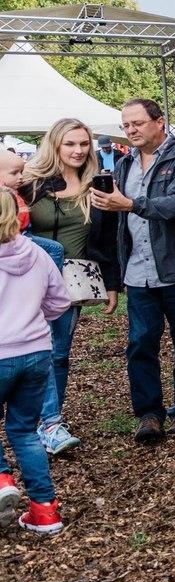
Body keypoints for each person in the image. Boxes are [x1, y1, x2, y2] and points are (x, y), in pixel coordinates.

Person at [90, 97, 175, 444]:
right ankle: (149, 415)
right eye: (126, 125)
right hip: (139, 274)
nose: (131, 130)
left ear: (160, 121)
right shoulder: (123, 165)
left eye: (137, 123)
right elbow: (117, 221)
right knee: (140, 345)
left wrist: (131, 203)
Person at [21, 117, 122, 456]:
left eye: (83, 144)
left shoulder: (98, 184)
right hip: (28, 281)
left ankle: (50, 421)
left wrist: (111, 284)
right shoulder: (30, 184)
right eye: (70, 144)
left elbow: (107, 237)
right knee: (37, 353)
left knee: (59, 354)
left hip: (72, 284)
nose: (78, 150)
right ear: (55, 145)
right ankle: (46, 423)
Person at [0, 189, 71, 535]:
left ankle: (1, 481)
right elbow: (59, 303)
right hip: (35, 353)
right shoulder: (38, 253)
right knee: (25, 431)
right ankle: (45, 511)